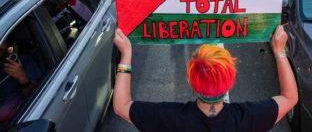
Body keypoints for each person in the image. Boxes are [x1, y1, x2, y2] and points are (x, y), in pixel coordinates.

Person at [112, 25, 298, 132]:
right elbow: (290, 97)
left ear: (191, 80)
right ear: (231, 81)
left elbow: (121, 106)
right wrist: (280, 52)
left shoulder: (171, 119)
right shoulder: (247, 119)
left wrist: (126, 55)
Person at [0, 40, 41, 123]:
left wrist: (22, 77)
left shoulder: (24, 60)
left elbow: (36, 95)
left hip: (15, 115)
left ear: (4, 44)